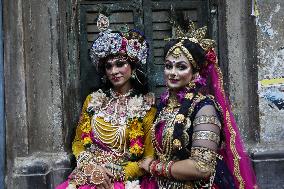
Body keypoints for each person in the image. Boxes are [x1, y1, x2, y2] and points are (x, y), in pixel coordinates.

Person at [140, 21, 258, 189]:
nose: (172, 73)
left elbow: (202, 167)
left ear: (195, 72)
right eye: (168, 66)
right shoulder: (164, 104)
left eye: (181, 67)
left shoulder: (204, 107)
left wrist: (154, 167)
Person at [56, 13, 157, 189]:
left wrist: (113, 172)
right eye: (108, 66)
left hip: (120, 179)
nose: (113, 71)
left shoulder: (146, 107)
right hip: (87, 174)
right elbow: (79, 142)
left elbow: (148, 157)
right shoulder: (93, 101)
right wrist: (91, 168)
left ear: (132, 67)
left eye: (120, 64)